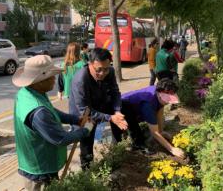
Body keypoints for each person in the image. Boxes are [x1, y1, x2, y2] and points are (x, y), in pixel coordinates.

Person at [12, 55, 93, 191]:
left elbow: (51, 110)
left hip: (33, 162)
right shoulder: (38, 112)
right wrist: (86, 130)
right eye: (51, 77)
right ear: (39, 81)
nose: (54, 80)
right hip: (40, 171)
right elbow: (60, 138)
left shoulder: (27, 92)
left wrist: (75, 119)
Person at [69, 48, 147, 170]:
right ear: (90, 64)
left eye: (105, 69)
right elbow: (84, 110)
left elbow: (115, 92)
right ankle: (87, 169)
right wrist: (110, 117)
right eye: (98, 70)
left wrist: (117, 111)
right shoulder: (80, 80)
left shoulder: (109, 71)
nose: (102, 73)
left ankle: (130, 145)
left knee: (126, 107)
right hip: (85, 114)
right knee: (87, 137)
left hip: (101, 104)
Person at [121, 78, 185, 158]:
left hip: (134, 106)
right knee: (136, 133)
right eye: (167, 100)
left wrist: (161, 131)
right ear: (159, 94)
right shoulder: (148, 104)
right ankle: (136, 146)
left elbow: (160, 113)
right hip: (121, 107)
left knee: (142, 124)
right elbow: (154, 133)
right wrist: (172, 149)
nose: (168, 103)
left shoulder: (160, 90)